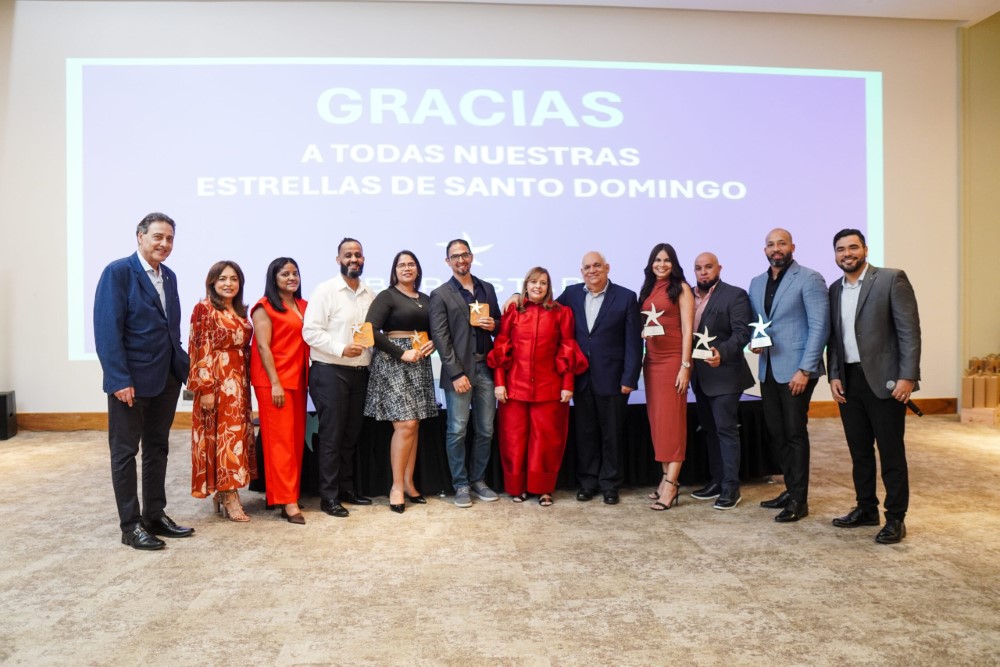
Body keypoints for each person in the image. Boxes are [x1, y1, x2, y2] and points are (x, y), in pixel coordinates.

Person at [94, 212, 194, 550]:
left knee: (157, 448)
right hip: (131, 382)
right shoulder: (118, 272)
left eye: (169, 239)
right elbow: (107, 330)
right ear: (140, 237)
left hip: (166, 379)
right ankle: (131, 526)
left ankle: (154, 515)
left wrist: (185, 371)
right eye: (158, 237)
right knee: (125, 453)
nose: (164, 244)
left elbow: (169, 331)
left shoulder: (170, 276)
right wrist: (118, 379)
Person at [827, 229, 920, 544]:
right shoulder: (834, 289)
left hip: (886, 381)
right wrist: (834, 375)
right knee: (859, 451)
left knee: (891, 453)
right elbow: (835, 338)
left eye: (853, 247)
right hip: (849, 381)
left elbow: (909, 331)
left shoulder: (891, 279)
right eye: (841, 249)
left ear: (865, 250)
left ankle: (895, 518)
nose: (847, 254)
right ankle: (866, 508)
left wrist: (908, 377)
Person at [748, 228, 830, 523]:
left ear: (792, 247)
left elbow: (820, 326)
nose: (776, 248)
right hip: (769, 368)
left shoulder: (809, 278)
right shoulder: (756, 283)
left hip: (798, 371)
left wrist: (805, 369)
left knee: (794, 432)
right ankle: (790, 489)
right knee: (776, 431)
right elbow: (757, 324)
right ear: (765, 250)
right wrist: (754, 342)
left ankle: (799, 500)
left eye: (781, 243)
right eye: (770, 244)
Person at [489, 267, 588, 506]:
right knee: (513, 440)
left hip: (550, 388)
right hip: (514, 388)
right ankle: (517, 488)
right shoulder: (513, 311)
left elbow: (567, 348)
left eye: (543, 283)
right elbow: (502, 346)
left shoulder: (561, 313)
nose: (538, 287)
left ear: (548, 287)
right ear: (525, 285)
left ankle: (543, 489)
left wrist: (567, 385)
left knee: (546, 442)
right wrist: (499, 383)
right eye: (533, 282)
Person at [556, 251, 642, 505]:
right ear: (581, 272)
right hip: (581, 378)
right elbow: (546, 306)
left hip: (613, 379)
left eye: (596, 266)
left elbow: (633, 342)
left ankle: (610, 484)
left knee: (611, 435)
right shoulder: (571, 294)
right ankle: (588, 483)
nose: (592, 270)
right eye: (587, 267)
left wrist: (630, 378)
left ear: (607, 268)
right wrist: (516, 296)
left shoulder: (626, 297)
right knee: (586, 434)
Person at [302, 238, 374, 518]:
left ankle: (346, 489)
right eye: (348, 255)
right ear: (338, 260)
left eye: (358, 255)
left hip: (360, 372)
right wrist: (340, 348)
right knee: (332, 436)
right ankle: (328, 497)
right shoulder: (325, 291)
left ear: (363, 259)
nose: (353, 259)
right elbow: (310, 332)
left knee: (350, 435)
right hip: (330, 371)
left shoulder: (370, 293)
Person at [429, 239, 502, 508]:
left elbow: (500, 325)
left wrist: (494, 325)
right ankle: (460, 484)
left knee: (486, 430)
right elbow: (441, 338)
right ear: (447, 261)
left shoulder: (487, 288)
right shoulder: (440, 294)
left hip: (486, 368)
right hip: (459, 372)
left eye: (465, 255)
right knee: (457, 430)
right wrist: (456, 373)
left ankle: (478, 480)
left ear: (471, 257)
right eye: (455, 256)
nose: (461, 260)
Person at [364, 250, 437, 514]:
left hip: (419, 362)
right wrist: (400, 352)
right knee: (405, 424)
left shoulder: (427, 299)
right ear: (394, 270)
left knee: (413, 424)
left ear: (418, 269)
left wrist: (433, 343)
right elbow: (369, 330)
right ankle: (396, 487)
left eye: (411, 264)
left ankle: (408, 482)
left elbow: (438, 329)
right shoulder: (387, 296)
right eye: (401, 265)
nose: (407, 268)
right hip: (393, 362)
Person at [188, 261, 256, 522]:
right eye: (223, 279)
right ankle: (229, 495)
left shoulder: (239, 311)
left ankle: (224, 490)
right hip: (216, 383)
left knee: (236, 437)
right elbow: (199, 348)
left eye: (234, 279)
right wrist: (205, 387)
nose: (229, 283)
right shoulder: (204, 308)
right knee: (224, 437)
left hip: (239, 382)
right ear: (212, 282)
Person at [687, 252, 755, 510]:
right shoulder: (688, 295)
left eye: (708, 267)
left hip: (725, 375)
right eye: (698, 268)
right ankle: (717, 481)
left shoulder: (735, 295)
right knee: (710, 430)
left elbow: (741, 333)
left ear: (719, 268)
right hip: (700, 377)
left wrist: (722, 353)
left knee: (726, 431)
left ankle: (731, 488)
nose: (703, 272)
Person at [250, 257, 310, 525]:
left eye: (295, 273)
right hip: (273, 382)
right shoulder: (264, 307)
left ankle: (286, 494)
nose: (291, 278)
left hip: (298, 379)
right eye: (285, 274)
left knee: (294, 441)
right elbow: (263, 347)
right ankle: (288, 502)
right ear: (273, 278)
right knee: (281, 442)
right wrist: (275, 382)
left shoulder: (303, 305)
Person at [638, 243, 694, 511]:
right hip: (651, 362)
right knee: (658, 422)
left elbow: (687, 329)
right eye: (657, 260)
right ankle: (665, 478)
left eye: (667, 260)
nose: (661, 264)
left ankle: (672, 484)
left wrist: (685, 366)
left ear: (674, 264)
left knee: (673, 423)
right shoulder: (648, 289)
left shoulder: (681, 288)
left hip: (673, 361)